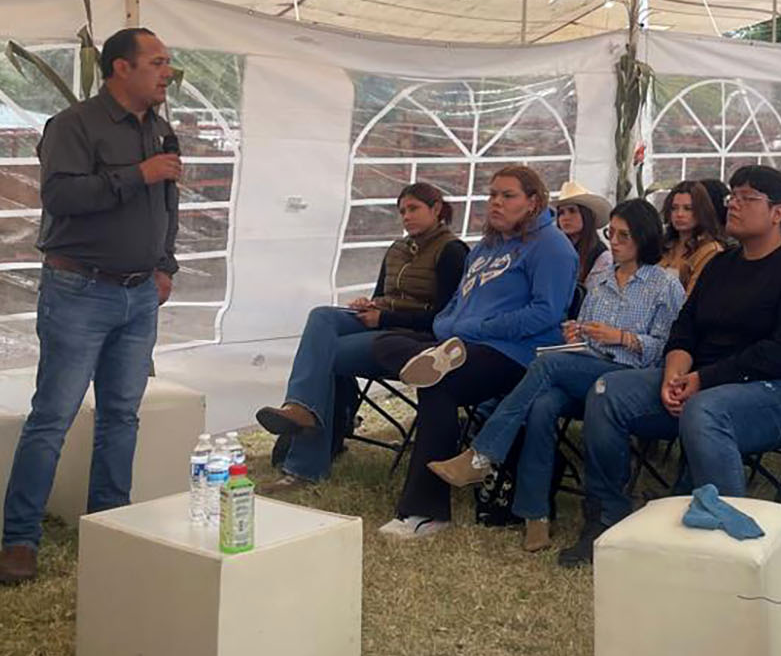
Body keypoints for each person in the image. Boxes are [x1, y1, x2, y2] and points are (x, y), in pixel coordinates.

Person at [560, 164, 781, 567]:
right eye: (732, 197)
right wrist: (674, 371)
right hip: (699, 383)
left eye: (747, 198)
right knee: (608, 391)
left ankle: (730, 545)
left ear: (779, 213)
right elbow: (684, 328)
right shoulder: (722, 266)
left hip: (779, 395)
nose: (734, 205)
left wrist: (702, 380)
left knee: (707, 410)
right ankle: (607, 516)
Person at [0, 28, 180, 585]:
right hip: (78, 292)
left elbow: (167, 204)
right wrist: (136, 175)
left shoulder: (162, 129)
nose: (167, 72)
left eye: (167, 62)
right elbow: (61, 199)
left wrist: (164, 265)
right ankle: (20, 540)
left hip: (138, 295)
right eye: (157, 62)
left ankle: (110, 523)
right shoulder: (73, 127)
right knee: (52, 417)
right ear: (120, 68)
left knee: (122, 416)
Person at [426, 199, 684, 552]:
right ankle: (535, 514)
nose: (616, 241)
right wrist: (576, 334)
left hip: (632, 377)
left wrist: (622, 337)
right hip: (587, 366)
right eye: (612, 233)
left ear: (645, 237)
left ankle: (482, 455)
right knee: (543, 404)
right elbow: (586, 332)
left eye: (625, 235)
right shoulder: (602, 283)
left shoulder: (664, 285)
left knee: (547, 367)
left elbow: (669, 348)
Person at [374, 165, 578, 540]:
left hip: (516, 355)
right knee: (383, 344)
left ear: (533, 202)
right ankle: (436, 358)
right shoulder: (485, 247)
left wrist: (475, 330)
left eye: (508, 195)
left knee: (439, 384)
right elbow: (455, 302)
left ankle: (424, 511)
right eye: (493, 195)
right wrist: (445, 327)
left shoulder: (553, 247)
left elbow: (546, 313)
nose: (496, 203)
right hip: (461, 344)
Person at [256, 182, 469, 488]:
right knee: (322, 316)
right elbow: (382, 295)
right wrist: (370, 305)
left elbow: (444, 319)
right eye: (402, 211)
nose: (406, 217)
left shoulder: (452, 252)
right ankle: (301, 410)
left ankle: (304, 467)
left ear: (436, 209)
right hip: (383, 323)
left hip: (414, 338)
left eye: (413, 209)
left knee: (325, 355)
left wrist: (385, 316)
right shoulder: (397, 249)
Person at [658, 180, 726, 296]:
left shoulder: (710, 250)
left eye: (688, 208)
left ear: (701, 211)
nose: (679, 214)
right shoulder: (666, 245)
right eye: (674, 208)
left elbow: (693, 296)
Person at [554, 181, 613, 293]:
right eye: (561, 212)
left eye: (572, 211)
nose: (565, 217)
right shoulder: (555, 250)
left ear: (586, 216)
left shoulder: (602, 256)